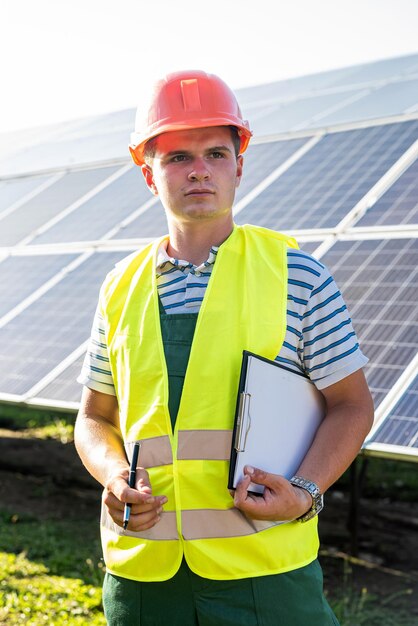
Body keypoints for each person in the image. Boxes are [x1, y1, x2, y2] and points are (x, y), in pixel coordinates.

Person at [75, 70, 374, 625]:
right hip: (144, 574)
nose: (198, 171)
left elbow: (352, 405)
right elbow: (94, 418)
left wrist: (306, 490)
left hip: (264, 570)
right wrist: (115, 477)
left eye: (215, 153)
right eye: (176, 157)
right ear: (148, 174)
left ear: (239, 165)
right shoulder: (119, 286)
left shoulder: (298, 276)